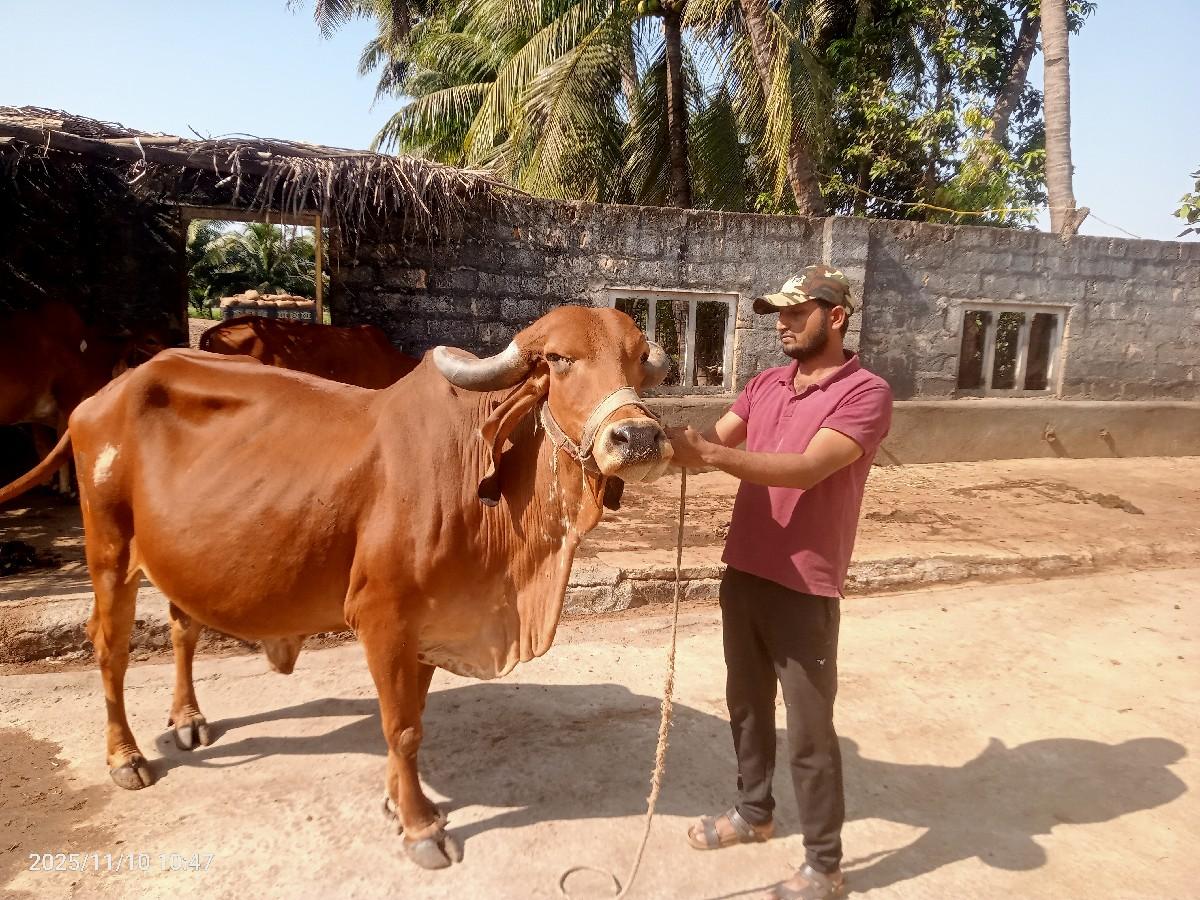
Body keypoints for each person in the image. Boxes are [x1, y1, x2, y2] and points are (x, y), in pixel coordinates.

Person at [666, 265, 893, 900]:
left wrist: (708, 455)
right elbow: (714, 440)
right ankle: (753, 811)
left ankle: (825, 865)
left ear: (836, 317)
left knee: (812, 730)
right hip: (744, 572)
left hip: (805, 585)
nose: (784, 324)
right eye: (779, 314)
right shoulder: (765, 384)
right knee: (746, 704)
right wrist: (646, 435)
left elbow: (802, 471)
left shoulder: (865, 393)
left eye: (797, 312)